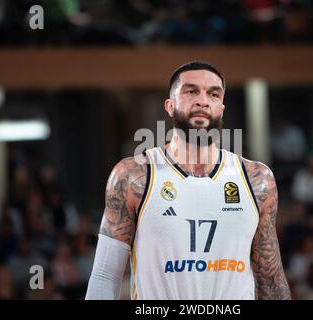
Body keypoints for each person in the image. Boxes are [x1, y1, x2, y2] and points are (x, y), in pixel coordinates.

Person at [85, 61, 291, 300]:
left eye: (213, 94)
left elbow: (271, 281)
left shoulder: (257, 179)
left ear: (221, 109)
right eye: (191, 91)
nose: (203, 100)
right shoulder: (132, 176)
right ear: (170, 106)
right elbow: (104, 277)